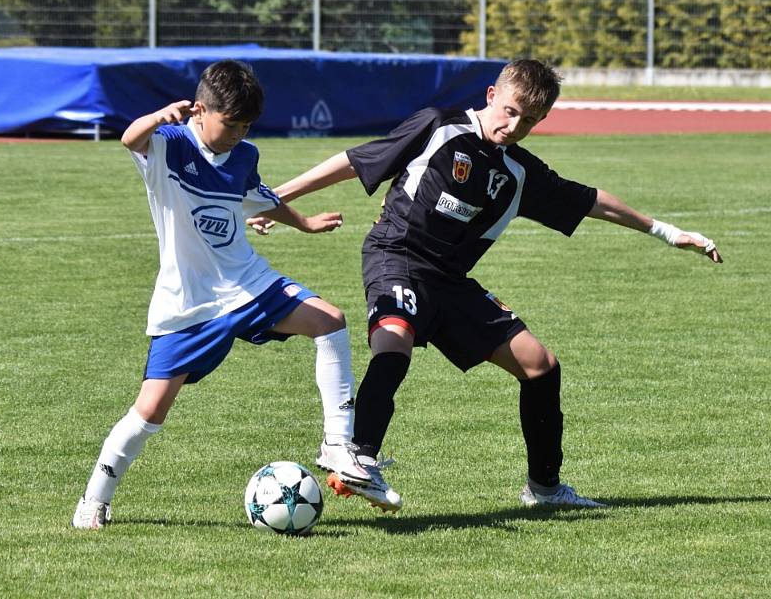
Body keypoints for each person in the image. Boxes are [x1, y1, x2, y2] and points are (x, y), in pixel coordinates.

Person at [253, 59, 723, 513]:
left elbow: (593, 201)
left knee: (540, 366)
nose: (515, 126)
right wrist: (275, 199)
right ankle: (358, 456)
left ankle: (544, 488)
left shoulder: (519, 172)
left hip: (451, 283)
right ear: (492, 95)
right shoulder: (441, 127)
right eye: (511, 111)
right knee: (394, 339)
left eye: (531, 120)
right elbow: (357, 161)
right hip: (396, 254)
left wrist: (666, 231)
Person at [72, 60, 374, 530]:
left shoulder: (245, 154)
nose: (237, 134)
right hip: (187, 303)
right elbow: (130, 139)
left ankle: (338, 444)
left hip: (247, 282)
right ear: (200, 109)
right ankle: (95, 499)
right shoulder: (169, 144)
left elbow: (262, 197)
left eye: (246, 126)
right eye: (230, 124)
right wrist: (156, 117)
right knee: (150, 410)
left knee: (330, 320)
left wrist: (305, 222)